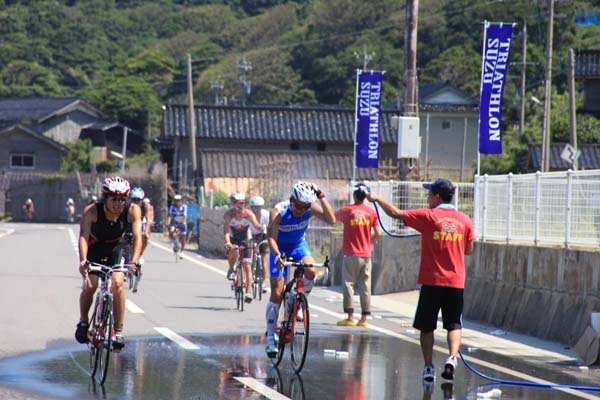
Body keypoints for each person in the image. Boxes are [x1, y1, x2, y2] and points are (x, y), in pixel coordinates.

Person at [366, 178, 474, 382]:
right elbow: (468, 250)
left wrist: (377, 198)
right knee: (454, 324)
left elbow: (396, 214)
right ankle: (452, 358)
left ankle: (428, 367)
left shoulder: (428, 216)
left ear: (437, 197)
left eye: (429, 194)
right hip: (455, 282)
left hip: (432, 281)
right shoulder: (465, 220)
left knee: (427, 326)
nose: (427, 198)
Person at [265, 181, 336, 358]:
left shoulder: (310, 208)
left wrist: (321, 196)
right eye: (297, 206)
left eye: (305, 207)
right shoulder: (278, 211)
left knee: (311, 271)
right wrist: (278, 256)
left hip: (297, 245)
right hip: (279, 247)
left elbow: (332, 220)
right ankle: (270, 338)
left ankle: (297, 302)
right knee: (277, 292)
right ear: (291, 200)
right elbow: (271, 238)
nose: (300, 210)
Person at [75, 176, 143, 351]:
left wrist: (134, 262)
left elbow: (138, 237)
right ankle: (83, 321)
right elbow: (83, 236)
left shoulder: (132, 210)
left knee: (118, 283)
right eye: (114, 198)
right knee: (91, 284)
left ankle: (118, 331)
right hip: (95, 246)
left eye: (122, 199)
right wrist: (83, 261)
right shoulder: (92, 211)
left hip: (117, 247)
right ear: (105, 198)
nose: (118, 203)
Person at [335, 183, 380, 328]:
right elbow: (378, 233)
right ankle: (364, 319)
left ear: (354, 195)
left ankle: (350, 317)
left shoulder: (347, 210)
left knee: (348, 284)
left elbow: (332, 217)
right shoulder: (371, 212)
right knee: (365, 286)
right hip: (366, 255)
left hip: (351, 254)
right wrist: (372, 242)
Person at [224, 192, 263, 303]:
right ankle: (231, 269)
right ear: (233, 204)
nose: (240, 205)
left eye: (242, 203)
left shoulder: (248, 214)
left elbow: (256, 225)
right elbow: (226, 231)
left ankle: (248, 291)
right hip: (233, 238)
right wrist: (228, 242)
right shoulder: (228, 215)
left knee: (247, 266)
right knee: (234, 250)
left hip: (246, 238)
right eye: (238, 203)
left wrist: (261, 228)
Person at [249, 195, 270, 286]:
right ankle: (249, 276)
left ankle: (264, 281)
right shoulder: (248, 214)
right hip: (250, 235)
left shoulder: (266, 214)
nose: (256, 210)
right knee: (249, 256)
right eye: (254, 207)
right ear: (251, 207)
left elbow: (269, 227)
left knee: (264, 257)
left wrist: (268, 239)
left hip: (262, 235)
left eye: (259, 207)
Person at [167, 194, 187, 258]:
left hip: (182, 222)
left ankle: (182, 251)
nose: (177, 202)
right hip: (175, 222)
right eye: (176, 200)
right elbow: (170, 216)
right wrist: (168, 223)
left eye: (178, 200)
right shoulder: (172, 207)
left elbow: (185, 217)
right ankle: (172, 240)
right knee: (171, 230)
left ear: (181, 201)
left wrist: (181, 224)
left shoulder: (184, 207)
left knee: (183, 236)